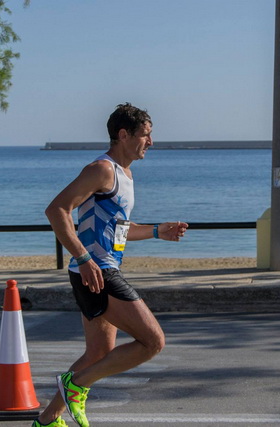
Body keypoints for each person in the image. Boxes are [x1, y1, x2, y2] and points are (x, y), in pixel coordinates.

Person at [32, 103, 189, 427]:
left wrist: (157, 231)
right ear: (123, 134)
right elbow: (57, 209)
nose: (151, 142)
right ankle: (76, 385)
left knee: (98, 354)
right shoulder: (101, 169)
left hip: (100, 269)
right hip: (97, 271)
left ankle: (47, 420)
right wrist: (83, 258)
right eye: (145, 135)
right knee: (153, 342)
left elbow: (117, 229)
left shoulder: (124, 175)